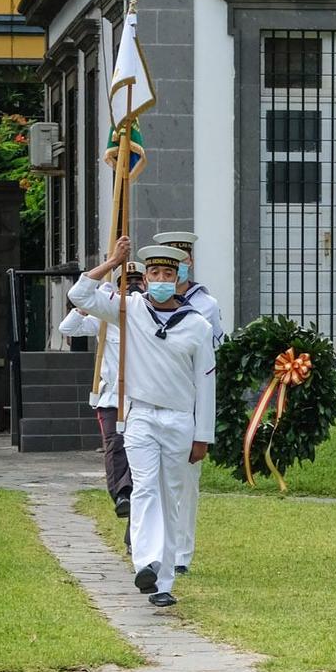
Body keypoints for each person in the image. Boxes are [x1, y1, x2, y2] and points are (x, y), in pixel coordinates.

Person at [68, 238, 215, 607]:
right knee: (146, 490)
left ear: (179, 274)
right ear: (145, 278)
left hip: (181, 419)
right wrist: (112, 262)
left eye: (168, 272)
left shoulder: (197, 324)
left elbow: (206, 384)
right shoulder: (129, 309)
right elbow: (80, 296)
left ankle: (163, 582)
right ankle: (146, 563)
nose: (161, 278)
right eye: (154, 273)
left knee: (169, 497)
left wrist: (203, 437)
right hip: (141, 416)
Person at [154, 232, 224, 577]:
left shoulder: (205, 304)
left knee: (185, 482)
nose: (175, 271)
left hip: (188, 400)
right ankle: (153, 546)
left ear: (189, 263)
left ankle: (182, 551)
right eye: (168, 264)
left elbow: (213, 354)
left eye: (180, 262)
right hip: (153, 399)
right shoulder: (144, 302)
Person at [58, 261, 138, 521]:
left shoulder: (146, 315)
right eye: (126, 282)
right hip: (112, 396)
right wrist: (87, 306)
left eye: (137, 282)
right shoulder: (105, 318)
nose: (132, 287)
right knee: (115, 446)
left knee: (138, 451)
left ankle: (134, 496)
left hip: (140, 397)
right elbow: (67, 329)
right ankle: (122, 494)